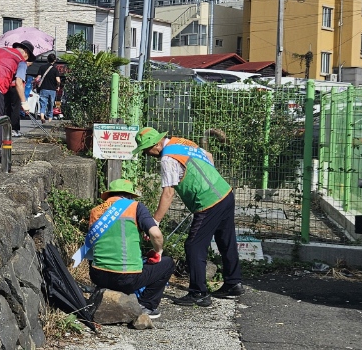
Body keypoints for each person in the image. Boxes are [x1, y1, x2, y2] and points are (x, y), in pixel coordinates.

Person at [138, 127, 241, 307]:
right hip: (225, 193)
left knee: (194, 245)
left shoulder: (167, 159)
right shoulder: (181, 142)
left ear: (155, 145)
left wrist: (155, 221)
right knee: (226, 240)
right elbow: (208, 156)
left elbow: (168, 193)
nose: (147, 154)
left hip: (208, 203)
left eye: (146, 150)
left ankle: (198, 292)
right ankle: (233, 282)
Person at [75, 178, 173, 321]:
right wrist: (158, 251)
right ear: (130, 196)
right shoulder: (135, 207)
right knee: (168, 263)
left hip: (98, 276)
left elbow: (91, 248)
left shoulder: (95, 211)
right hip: (126, 279)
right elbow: (156, 234)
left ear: (109, 195)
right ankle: (146, 304)